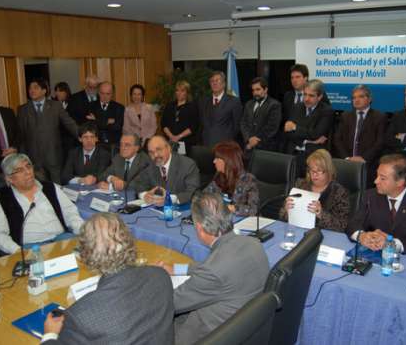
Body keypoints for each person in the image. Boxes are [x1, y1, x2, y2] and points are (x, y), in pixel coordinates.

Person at [42, 212, 174, 344]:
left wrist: (50, 334)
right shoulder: (160, 275)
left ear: (85, 256)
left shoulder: (80, 316)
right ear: (130, 242)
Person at [156, 192, 269, 345]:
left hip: (215, 332)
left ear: (199, 228)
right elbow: (208, 268)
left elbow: (171, 303)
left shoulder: (213, 271)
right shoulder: (253, 243)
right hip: (249, 324)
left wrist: (152, 284)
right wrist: (177, 269)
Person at [0, 154, 83, 254]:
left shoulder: (50, 187)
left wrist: (82, 232)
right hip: (30, 247)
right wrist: (18, 251)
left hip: (62, 239)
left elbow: (70, 213)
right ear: (9, 178)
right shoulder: (0, 197)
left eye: (28, 166)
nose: (28, 172)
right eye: (20, 170)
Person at [346, 154, 406, 254]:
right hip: (373, 254)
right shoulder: (370, 196)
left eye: (383, 178)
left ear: (400, 182)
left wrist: (392, 244)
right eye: (377, 175)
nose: (375, 181)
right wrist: (362, 236)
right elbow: (353, 223)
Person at [17, 78, 78, 184]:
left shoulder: (56, 106)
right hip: (33, 159)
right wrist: (23, 157)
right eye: (30, 88)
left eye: (35, 88)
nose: (32, 90)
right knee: (38, 189)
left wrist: (83, 135)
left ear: (44, 91)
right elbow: (21, 135)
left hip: (53, 156)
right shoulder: (23, 109)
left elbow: (70, 124)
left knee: (57, 188)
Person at [282, 149, 349, 231]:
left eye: (319, 171)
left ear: (329, 171)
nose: (314, 174)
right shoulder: (300, 184)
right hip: (297, 231)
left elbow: (342, 226)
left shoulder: (339, 192)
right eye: (312, 170)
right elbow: (282, 217)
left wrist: (321, 214)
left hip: (325, 237)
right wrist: (287, 211)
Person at [333, 84, 387, 183]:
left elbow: (380, 142)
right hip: (347, 164)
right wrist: (347, 158)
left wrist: (364, 158)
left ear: (369, 99)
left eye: (361, 97)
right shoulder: (345, 116)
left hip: (368, 165)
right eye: (354, 97)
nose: (356, 100)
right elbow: (337, 139)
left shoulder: (379, 117)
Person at [283, 79, 334, 176]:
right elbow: (287, 132)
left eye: (311, 96)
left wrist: (295, 127)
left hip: (313, 157)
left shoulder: (326, 111)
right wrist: (307, 140)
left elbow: (315, 134)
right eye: (305, 94)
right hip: (293, 154)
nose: (306, 99)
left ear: (320, 97)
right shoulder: (297, 107)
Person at [135, 135, 199, 206]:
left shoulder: (188, 165)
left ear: (168, 148)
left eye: (158, 149)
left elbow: (193, 192)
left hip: (181, 209)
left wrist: (170, 199)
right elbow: (139, 186)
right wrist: (144, 195)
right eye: (151, 152)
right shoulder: (148, 165)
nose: (155, 155)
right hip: (156, 209)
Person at [204, 141, 259, 217]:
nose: (214, 161)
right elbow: (204, 196)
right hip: (222, 219)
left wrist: (231, 208)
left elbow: (253, 210)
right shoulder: (219, 176)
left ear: (227, 161)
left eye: (217, 158)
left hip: (242, 222)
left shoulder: (248, 180)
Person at [199, 71, 242, 147]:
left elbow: (237, 126)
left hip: (225, 146)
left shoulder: (234, 101)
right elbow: (202, 124)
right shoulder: (203, 101)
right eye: (212, 81)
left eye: (217, 80)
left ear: (224, 84)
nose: (214, 83)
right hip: (206, 145)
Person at [240, 77, 281, 154]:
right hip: (248, 148)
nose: (255, 93)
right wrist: (249, 138)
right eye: (253, 90)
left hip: (266, 149)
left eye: (258, 89)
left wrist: (255, 140)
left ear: (265, 89)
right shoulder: (248, 104)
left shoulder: (274, 105)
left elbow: (272, 127)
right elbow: (243, 123)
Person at [161, 80, 199, 154]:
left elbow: (194, 126)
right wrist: (171, 136)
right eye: (177, 90)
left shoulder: (192, 106)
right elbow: (163, 123)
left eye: (182, 91)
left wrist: (178, 137)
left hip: (186, 142)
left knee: (183, 163)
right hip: (170, 141)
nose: (179, 93)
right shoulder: (169, 105)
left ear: (187, 93)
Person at [88, 81, 124, 150]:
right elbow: (91, 126)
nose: (104, 96)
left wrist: (96, 120)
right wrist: (107, 121)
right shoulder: (91, 106)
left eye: (108, 94)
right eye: (102, 93)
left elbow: (117, 127)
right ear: (98, 93)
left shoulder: (119, 107)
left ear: (112, 94)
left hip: (114, 145)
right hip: (96, 144)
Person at [53, 82, 76, 164]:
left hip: (70, 138)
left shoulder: (73, 102)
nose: (57, 93)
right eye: (56, 91)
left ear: (66, 92)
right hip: (57, 138)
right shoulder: (52, 104)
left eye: (60, 91)